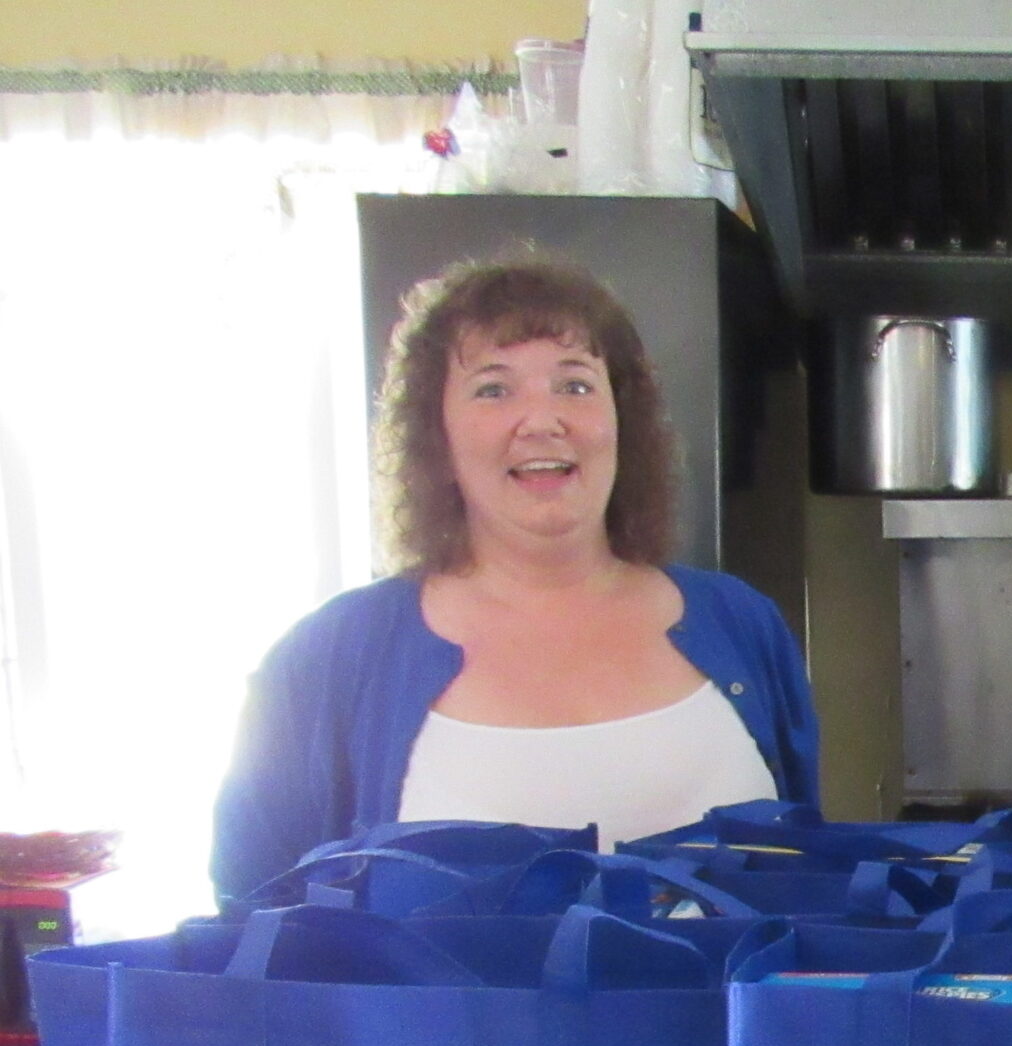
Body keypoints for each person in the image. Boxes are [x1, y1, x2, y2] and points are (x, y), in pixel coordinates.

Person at [211, 257, 819, 906]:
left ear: (623, 420)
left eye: (576, 385)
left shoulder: (743, 624)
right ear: (435, 433)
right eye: (494, 390)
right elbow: (250, 921)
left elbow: (812, 889)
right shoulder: (328, 660)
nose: (541, 419)